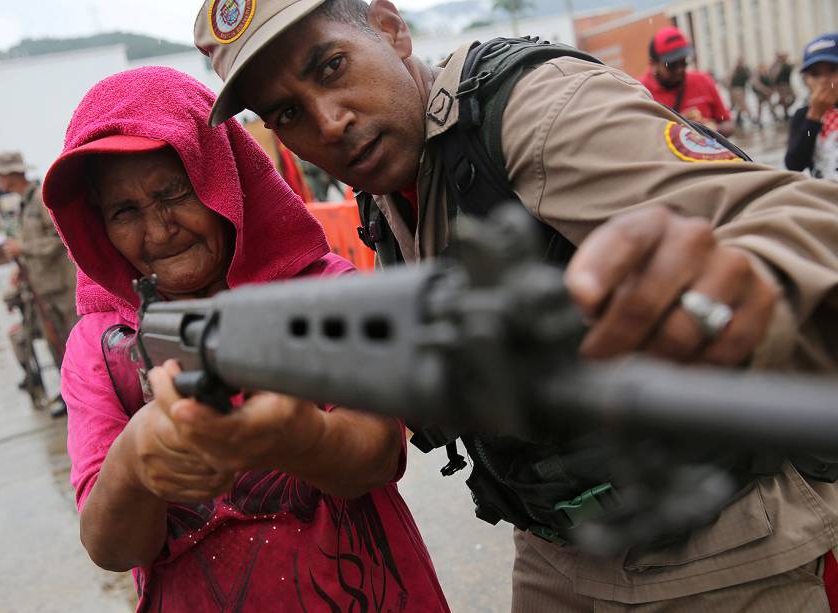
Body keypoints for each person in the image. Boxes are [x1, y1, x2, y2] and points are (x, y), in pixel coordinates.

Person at [195, 0, 838, 610]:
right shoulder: (390, 179)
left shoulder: (537, 110)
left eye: (332, 67)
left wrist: (750, 285)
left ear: (389, 29)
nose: (329, 122)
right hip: (559, 544)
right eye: (286, 114)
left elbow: (788, 219)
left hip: (721, 545)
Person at [41, 66, 449, 612]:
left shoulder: (322, 292)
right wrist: (136, 461)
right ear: (96, 226)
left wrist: (296, 437)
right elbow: (111, 547)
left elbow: (379, 455)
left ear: (223, 178)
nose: (159, 231)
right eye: (124, 211)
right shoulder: (99, 346)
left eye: (174, 193)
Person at [0, 151, 78, 418]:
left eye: (0, 175)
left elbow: (59, 238)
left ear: (10, 175)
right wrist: (24, 267)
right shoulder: (24, 204)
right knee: (56, 345)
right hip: (43, 288)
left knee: (73, 344)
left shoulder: (41, 200)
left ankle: (82, 395)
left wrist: (24, 248)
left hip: (61, 287)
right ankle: (70, 395)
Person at [639, 26, 734, 136]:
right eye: (671, 65)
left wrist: (712, 130)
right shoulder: (640, 93)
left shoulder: (703, 80)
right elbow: (641, 139)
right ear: (653, 64)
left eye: (684, 62)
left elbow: (728, 124)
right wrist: (678, 126)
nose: (680, 70)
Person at [785, 33, 838, 181]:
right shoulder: (803, 116)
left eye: (832, 70)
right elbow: (795, 164)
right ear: (806, 80)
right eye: (815, 74)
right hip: (823, 196)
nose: (823, 80)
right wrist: (814, 116)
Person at [727, 56, 752, 127]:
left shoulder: (745, 69)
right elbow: (730, 80)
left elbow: (749, 77)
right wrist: (730, 92)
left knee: (739, 105)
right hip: (736, 89)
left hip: (742, 89)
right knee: (743, 105)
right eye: (740, 61)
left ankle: (738, 119)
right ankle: (752, 118)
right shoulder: (735, 69)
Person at [772, 51, 797, 121]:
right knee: (783, 99)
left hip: (787, 84)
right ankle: (784, 113)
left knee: (793, 97)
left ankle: (783, 111)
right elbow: (774, 75)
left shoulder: (786, 65)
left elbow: (793, 66)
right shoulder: (778, 65)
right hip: (781, 85)